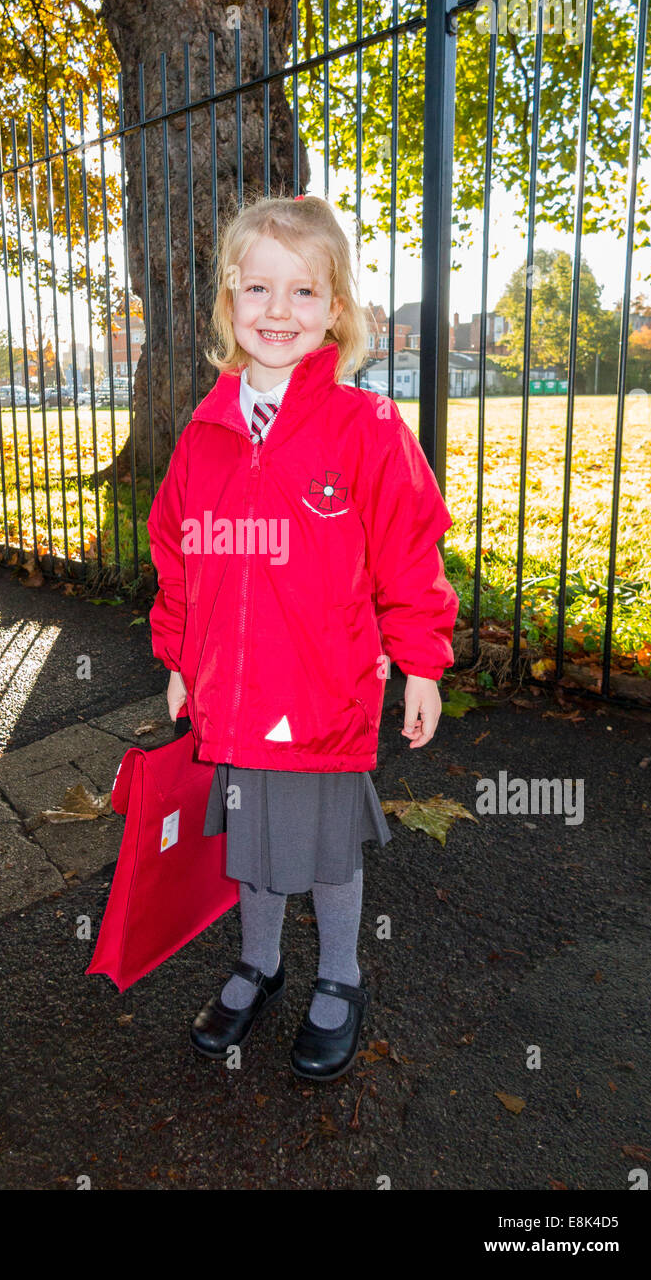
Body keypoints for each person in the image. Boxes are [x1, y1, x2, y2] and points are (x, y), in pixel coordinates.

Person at [146, 191, 459, 1081]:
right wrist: (177, 656)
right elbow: (177, 557)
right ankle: (260, 962)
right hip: (232, 695)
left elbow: (409, 558)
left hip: (322, 692)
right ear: (227, 304)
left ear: (336, 312)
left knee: (324, 850)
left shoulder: (365, 430)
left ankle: (340, 976)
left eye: (304, 293)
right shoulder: (203, 435)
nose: (278, 311)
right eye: (258, 290)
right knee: (252, 847)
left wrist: (423, 666)